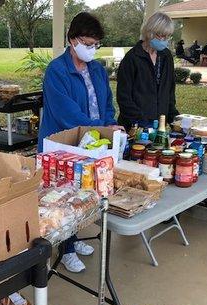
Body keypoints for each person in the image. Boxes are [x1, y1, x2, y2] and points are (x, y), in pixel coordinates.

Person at [39, 12, 123, 273]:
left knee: (86, 192)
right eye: (87, 43)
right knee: (65, 197)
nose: (91, 49)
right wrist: (97, 130)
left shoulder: (96, 68)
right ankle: (66, 249)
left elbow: (106, 102)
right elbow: (67, 113)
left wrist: (109, 127)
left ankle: (74, 239)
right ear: (72, 40)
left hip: (92, 141)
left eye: (95, 44)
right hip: (64, 144)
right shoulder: (57, 70)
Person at [117, 12, 179, 130]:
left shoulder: (166, 56)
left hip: (159, 125)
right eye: (160, 35)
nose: (163, 40)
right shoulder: (132, 58)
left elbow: (170, 91)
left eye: (167, 36)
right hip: (135, 126)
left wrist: (174, 119)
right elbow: (123, 97)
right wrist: (141, 122)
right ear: (149, 33)